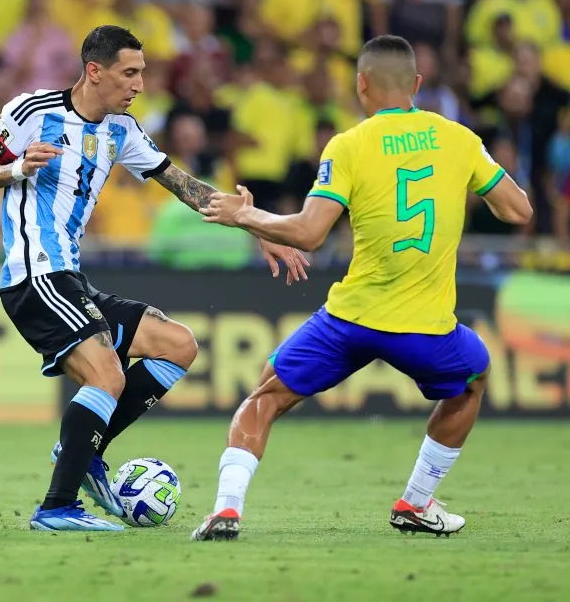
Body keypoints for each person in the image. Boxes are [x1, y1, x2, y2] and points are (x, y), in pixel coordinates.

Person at [0, 25, 308, 532]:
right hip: (33, 274)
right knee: (108, 374)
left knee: (178, 345)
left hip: (70, 277)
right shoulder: (30, 112)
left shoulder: (122, 130)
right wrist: (15, 171)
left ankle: (86, 445)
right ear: (95, 71)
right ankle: (57, 507)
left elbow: (184, 187)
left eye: (142, 73)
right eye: (130, 72)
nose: (139, 84)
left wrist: (257, 224)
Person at [192, 35, 533, 541]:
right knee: (473, 380)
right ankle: (416, 502)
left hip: (350, 320)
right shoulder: (459, 139)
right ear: (417, 85)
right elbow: (519, 210)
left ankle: (226, 510)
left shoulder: (348, 145)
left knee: (265, 396)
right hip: (427, 329)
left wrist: (247, 214)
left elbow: (308, 233)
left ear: (361, 84)